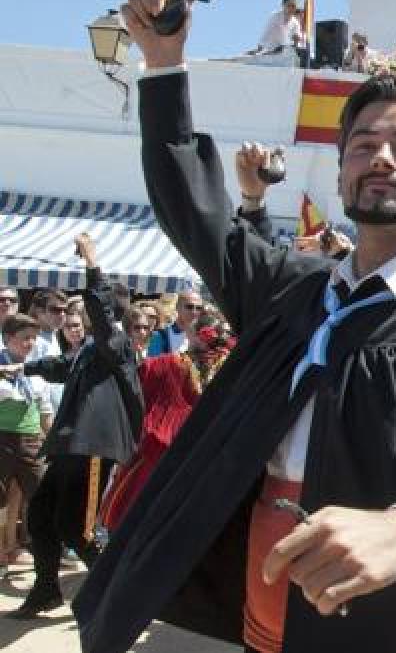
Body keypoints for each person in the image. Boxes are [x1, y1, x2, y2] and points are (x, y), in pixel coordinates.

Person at [74, 0, 396, 653]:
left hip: (391, 617)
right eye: (362, 147)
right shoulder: (295, 289)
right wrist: (164, 66)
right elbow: (198, 214)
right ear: (341, 175)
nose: (382, 159)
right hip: (267, 596)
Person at [4, 233, 142, 618]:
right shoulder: (86, 353)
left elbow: (99, 312)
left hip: (93, 448)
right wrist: (23, 367)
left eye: (81, 312)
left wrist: (92, 262)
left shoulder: (116, 344)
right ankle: (47, 589)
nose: (73, 318)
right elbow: (57, 367)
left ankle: (115, 595)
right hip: (69, 446)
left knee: (75, 526)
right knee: (41, 517)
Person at [99, 309, 234, 531]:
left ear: (193, 334)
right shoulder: (233, 369)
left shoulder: (165, 364)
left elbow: (130, 391)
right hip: (205, 455)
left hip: (160, 451)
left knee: (134, 515)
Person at [0, 314, 55, 577]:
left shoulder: (35, 369)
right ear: (8, 338)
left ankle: (37, 549)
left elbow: (44, 410)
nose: (30, 343)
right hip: (2, 439)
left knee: (39, 494)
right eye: (24, 338)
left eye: (33, 338)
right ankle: (4, 549)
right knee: (2, 499)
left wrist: (53, 440)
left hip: (30, 440)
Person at [147, 290, 203, 356]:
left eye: (199, 308)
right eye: (189, 307)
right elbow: (153, 363)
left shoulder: (203, 336)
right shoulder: (160, 335)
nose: (194, 312)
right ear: (177, 307)